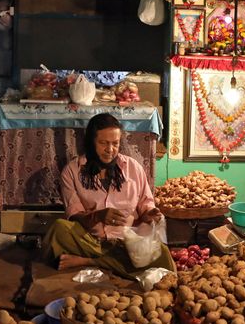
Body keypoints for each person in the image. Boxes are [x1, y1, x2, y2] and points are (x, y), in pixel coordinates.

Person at [42, 113, 175, 279]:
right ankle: (109, 262)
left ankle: (87, 262)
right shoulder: (72, 171)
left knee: (161, 254)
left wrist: (151, 214)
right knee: (60, 229)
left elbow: (145, 205)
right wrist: (98, 216)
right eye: (103, 143)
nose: (110, 150)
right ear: (91, 142)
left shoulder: (133, 168)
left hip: (127, 243)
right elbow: (74, 217)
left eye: (115, 143)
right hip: (90, 241)